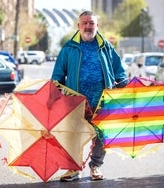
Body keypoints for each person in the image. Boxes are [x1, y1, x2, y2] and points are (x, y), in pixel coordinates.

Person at [51, 10, 128, 181]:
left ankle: (95, 166)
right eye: (84, 23)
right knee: (73, 135)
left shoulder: (106, 47)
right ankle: (73, 169)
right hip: (75, 102)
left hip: (102, 101)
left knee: (102, 135)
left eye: (91, 23)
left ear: (97, 25)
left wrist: (125, 85)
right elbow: (57, 76)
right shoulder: (69, 48)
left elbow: (119, 72)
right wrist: (56, 93)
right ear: (78, 26)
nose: (88, 26)